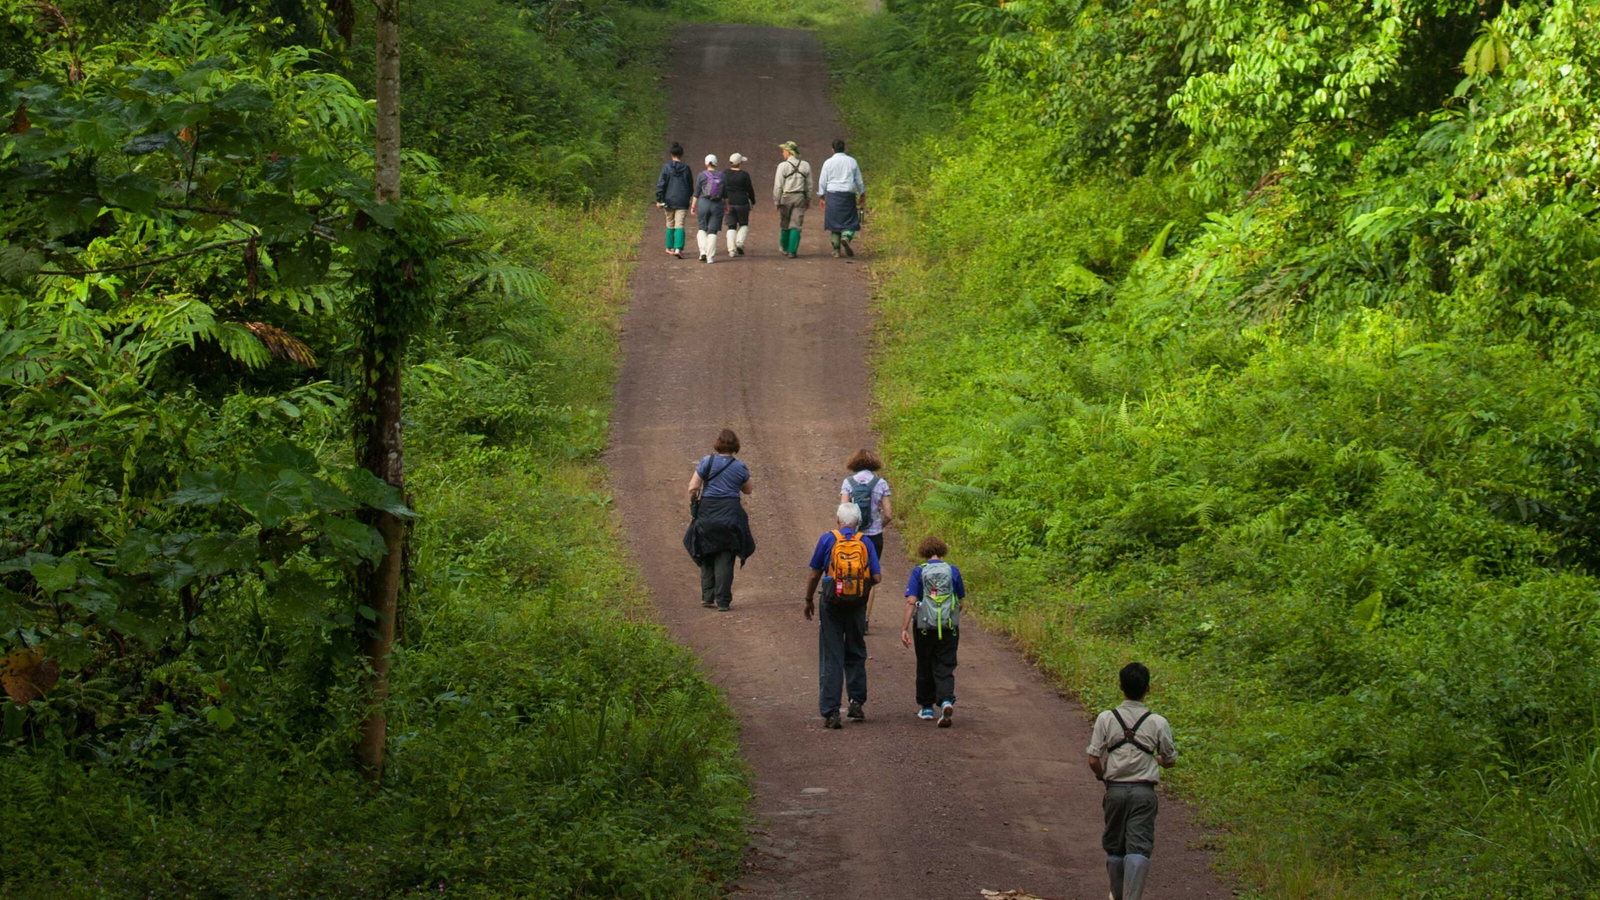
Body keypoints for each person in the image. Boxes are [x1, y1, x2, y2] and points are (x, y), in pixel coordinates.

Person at [1087, 662, 1178, 900]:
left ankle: (1117, 896)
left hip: (1115, 791)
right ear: (1149, 688)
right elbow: (1170, 760)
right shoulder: (1157, 722)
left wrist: (1102, 776)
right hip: (1143, 793)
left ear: (1120, 686)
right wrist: (1154, 760)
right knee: (1138, 847)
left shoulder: (1106, 718)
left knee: (1115, 848)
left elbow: (1093, 759)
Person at [802, 502, 881, 729]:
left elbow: (814, 573)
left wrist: (808, 600)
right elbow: (877, 577)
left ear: (838, 520)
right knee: (856, 650)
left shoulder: (828, 539)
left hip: (831, 604)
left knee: (831, 655)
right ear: (857, 523)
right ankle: (856, 703)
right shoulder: (865, 542)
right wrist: (858, 584)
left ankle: (831, 711)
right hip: (857, 605)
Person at [683, 429, 755, 611]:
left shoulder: (707, 462)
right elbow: (748, 490)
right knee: (725, 555)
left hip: (707, 512)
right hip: (730, 514)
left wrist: (694, 504)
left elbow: (693, 488)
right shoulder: (740, 467)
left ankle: (707, 596)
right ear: (735, 446)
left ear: (717, 444)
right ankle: (723, 601)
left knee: (705, 552)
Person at [900, 535, 965, 727]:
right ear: (942, 550)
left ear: (923, 552)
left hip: (924, 627)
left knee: (925, 663)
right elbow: (960, 602)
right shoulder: (952, 570)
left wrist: (904, 628)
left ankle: (927, 707)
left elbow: (911, 601)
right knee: (945, 664)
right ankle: (945, 700)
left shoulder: (918, 571)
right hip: (948, 627)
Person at [838, 448, 892, 630]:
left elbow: (843, 510)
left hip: (853, 537)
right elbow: (889, 514)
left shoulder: (848, 482)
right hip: (874, 536)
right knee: (870, 576)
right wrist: (878, 527)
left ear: (854, 463)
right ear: (874, 464)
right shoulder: (881, 483)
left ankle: (848, 611)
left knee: (850, 570)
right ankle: (865, 619)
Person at [817, 138, 864, 258]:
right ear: (844, 149)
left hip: (833, 195)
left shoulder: (828, 163)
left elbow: (822, 181)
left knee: (834, 222)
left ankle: (836, 250)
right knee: (850, 220)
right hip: (848, 195)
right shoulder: (852, 161)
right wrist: (862, 193)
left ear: (832, 150)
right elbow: (859, 180)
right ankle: (846, 237)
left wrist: (822, 196)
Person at [772, 141, 811, 259]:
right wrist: (808, 198)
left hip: (786, 197)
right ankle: (792, 251)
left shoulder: (783, 166)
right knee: (796, 224)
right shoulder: (805, 165)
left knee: (785, 223)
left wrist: (776, 201)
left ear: (788, 152)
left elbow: (778, 185)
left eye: (784, 151)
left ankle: (784, 247)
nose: (783, 153)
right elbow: (809, 184)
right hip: (800, 197)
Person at [655, 142, 693, 258]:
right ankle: (678, 248)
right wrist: (688, 196)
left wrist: (659, 198)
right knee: (679, 225)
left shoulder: (666, 168)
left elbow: (661, 184)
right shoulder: (686, 168)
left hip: (668, 200)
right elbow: (690, 185)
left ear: (671, 154)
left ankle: (669, 247)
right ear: (681, 154)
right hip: (682, 200)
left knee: (670, 224)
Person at [691, 154, 726, 264]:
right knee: (713, 231)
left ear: (706, 163)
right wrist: (727, 205)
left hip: (703, 204)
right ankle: (710, 257)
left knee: (702, 228)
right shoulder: (722, 176)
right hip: (717, 205)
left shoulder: (702, 175)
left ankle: (703, 252)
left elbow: (696, 192)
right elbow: (725, 193)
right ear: (716, 163)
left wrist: (693, 206)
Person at [722, 152, 756, 257]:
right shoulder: (744, 175)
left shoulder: (725, 173)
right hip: (742, 202)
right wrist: (753, 201)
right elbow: (750, 190)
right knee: (744, 224)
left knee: (731, 226)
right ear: (740, 163)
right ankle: (739, 242)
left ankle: (731, 249)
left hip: (729, 202)